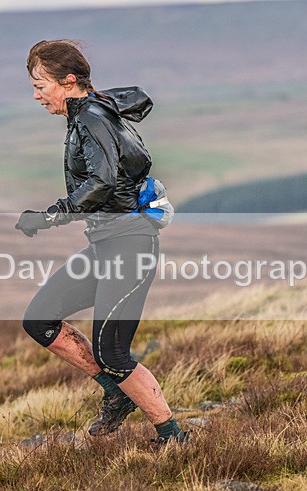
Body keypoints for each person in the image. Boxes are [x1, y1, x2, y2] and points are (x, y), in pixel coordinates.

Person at [16, 39, 187, 444]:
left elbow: (102, 182)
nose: (36, 95)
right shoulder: (88, 113)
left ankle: (172, 437)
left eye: (41, 85)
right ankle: (116, 394)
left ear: (68, 81)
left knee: (112, 351)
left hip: (130, 244)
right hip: (103, 245)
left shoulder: (91, 117)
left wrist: (50, 216)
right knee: (39, 319)